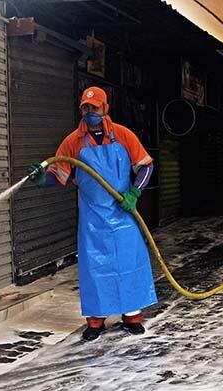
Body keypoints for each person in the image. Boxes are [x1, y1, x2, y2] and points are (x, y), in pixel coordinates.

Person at [27, 87, 157, 342]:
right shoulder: (72, 142)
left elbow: (146, 166)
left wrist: (134, 193)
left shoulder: (123, 135)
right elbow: (61, 175)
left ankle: (131, 316)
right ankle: (95, 321)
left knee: (128, 264)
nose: (90, 113)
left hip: (123, 213)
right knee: (95, 269)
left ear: (105, 108)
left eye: (95, 108)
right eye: (85, 108)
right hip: (92, 218)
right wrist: (44, 180)